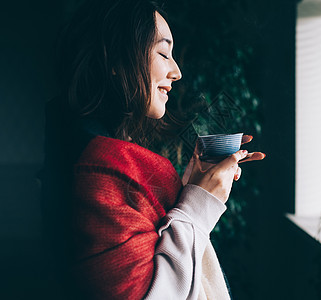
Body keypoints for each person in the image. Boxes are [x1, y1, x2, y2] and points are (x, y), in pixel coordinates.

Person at [41, 0, 265, 299]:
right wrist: (201, 203)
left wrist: (189, 188)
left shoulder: (74, 139)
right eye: (163, 53)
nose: (176, 72)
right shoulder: (104, 167)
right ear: (115, 60)